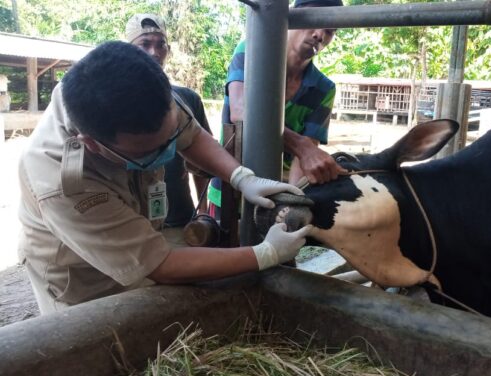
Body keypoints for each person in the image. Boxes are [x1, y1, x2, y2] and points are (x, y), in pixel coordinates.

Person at [17, 41, 311, 314]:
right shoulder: (64, 184)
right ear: (93, 144)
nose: (169, 151)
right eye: (151, 151)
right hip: (81, 279)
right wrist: (265, 254)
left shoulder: (147, 97)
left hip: (136, 234)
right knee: (94, 347)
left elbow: (190, 135)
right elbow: (160, 263)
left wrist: (241, 177)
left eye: (169, 138)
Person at [209, 0, 346, 217]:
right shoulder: (250, 52)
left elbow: (304, 160)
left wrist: (292, 202)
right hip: (230, 184)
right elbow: (241, 112)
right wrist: (301, 145)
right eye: (315, 21)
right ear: (292, 16)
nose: (320, 35)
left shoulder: (324, 88)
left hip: (277, 195)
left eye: (330, 31)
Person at [125, 14, 211, 234]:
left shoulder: (187, 100)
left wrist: (201, 211)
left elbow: (202, 162)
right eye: (145, 44)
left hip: (181, 220)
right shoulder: (117, 101)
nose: (154, 52)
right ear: (128, 50)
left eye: (161, 45)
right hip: (132, 223)